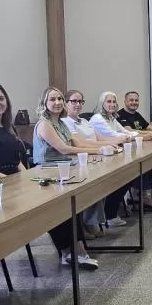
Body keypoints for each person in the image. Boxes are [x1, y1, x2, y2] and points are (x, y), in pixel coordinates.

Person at [33, 86, 106, 271]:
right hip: (47, 174)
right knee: (65, 208)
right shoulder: (44, 124)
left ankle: (75, 250)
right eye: (52, 99)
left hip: (64, 171)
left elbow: (77, 144)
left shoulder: (62, 123)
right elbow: (64, 149)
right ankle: (74, 251)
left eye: (59, 99)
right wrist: (97, 150)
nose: (57, 102)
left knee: (77, 201)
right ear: (45, 103)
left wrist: (98, 150)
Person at [61, 90, 128, 236]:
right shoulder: (66, 122)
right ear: (65, 103)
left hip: (95, 157)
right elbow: (80, 143)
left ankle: (92, 220)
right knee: (99, 182)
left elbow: (100, 138)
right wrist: (102, 148)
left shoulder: (84, 121)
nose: (78, 104)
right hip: (82, 160)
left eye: (80, 101)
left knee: (118, 175)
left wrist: (116, 142)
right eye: (74, 101)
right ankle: (88, 221)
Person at [91, 91, 152, 210]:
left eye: (114, 102)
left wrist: (132, 136)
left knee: (143, 164)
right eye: (109, 102)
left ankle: (133, 198)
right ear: (101, 103)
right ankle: (113, 210)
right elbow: (115, 136)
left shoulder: (112, 117)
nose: (112, 104)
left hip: (115, 152)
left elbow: (125, 132)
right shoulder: (98, 118)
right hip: (102, 157)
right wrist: (135, 137)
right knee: (135, 168)